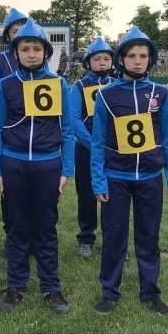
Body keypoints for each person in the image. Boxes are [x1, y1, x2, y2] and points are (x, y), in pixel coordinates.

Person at [90, 27, 168, 315]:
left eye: (143, 56)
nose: (138, 61)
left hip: (151, 178)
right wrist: (98, 180)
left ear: (150, 60)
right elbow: (97, 141)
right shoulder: (106, 95)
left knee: (148, 236)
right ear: (121, 60)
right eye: (132, 56)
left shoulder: (160, 93)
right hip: (116, 178)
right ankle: (109, 292)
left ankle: (150, 292)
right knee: (114, 235)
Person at [0, 18, 74, 315]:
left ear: (46, 52)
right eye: (24, 48)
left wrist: (66, 170)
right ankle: (15, 286)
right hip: (13, 164)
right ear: (16, 53)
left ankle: (51, 287)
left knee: (46, 228)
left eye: (36, 48)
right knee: (17, 228)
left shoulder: (58, 83)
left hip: (47, 165)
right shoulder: (5, 84)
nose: (31, 54)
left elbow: (67, 129)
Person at [0, 8, 29, 255]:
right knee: (10, 190)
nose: (22, 36)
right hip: (8, 131)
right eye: (16, 31)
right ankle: (11, 235)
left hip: (35, 134)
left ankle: (33, 236)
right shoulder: (0, 61)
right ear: (8, 35)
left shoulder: (37, 57)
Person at [69, 37, 115, 259]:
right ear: (88, 62)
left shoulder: (117, 85)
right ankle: (86, 238)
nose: (103, 62)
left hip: (115, 152)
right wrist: (94, 146)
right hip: (87, 151)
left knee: (113, 197)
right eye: (97, 59)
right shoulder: (79, 86)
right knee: (86, 196)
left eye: (107, 58)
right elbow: (74, 120)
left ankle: (112, 239)